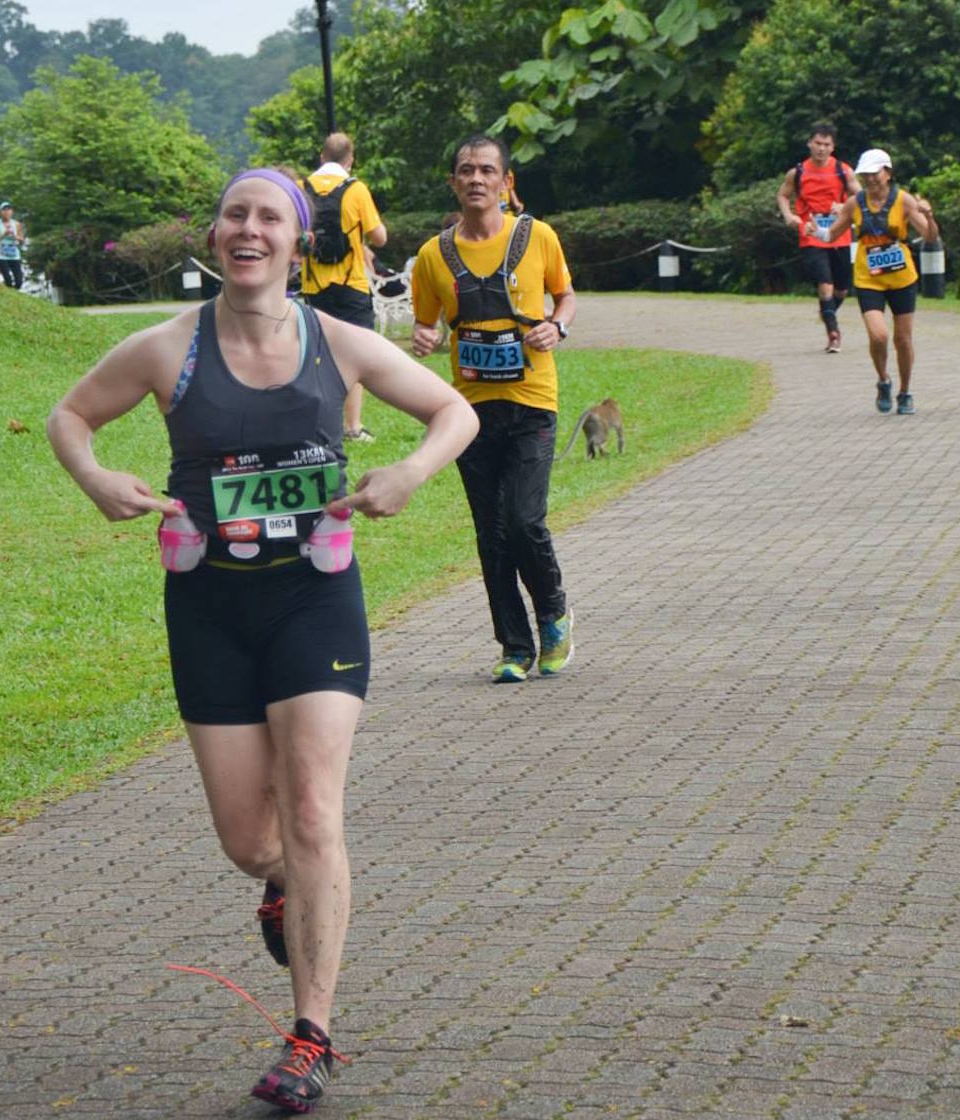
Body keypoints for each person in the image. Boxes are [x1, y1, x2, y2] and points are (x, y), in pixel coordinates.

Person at [47, 168, 477, 1113]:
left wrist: (408, 471)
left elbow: (458, 411)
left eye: (269, 217)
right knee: (253, 839)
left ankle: (311, 1035)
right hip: (208, 607)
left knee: (317, 811)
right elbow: (68, 416)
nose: (250, 230)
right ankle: (285, 884)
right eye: (236, 215)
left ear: (299, 239)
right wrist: (96, 477)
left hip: (313, 602)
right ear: (216, 235)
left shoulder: (340, 342)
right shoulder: (168, 350)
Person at [411, 134, 577, 684]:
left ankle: (553, 613)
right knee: (492, 533)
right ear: (453, 183)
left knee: (524, 520)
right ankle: (514, 647)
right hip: (471, 411)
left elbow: (565, 296)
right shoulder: (435, 255)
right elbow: (427, 320)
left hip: (532, 402)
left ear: (506, 182)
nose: (476, 179)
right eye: (466, 171)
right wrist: (424, 336)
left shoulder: (539, 237)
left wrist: (558, 326)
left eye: (487, 170)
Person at [823, 148, 938, 415]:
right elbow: (830, 235)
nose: (870, 180)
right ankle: (884, 379)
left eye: (875, 174)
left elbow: (930, 237)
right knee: (878, 335)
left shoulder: (904, 200)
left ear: (887, 173)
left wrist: (929, 215)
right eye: (865, 175)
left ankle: (905, 391)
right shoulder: (855, 203)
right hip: (868, 279)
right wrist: (811, 229)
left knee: (902, 339)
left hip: (902, 278)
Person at [299, 133, 388, 443]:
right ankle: (352, 426)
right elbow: (380, 238)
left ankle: (318, 424)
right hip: (351, 284)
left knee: (316, 355)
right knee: (356, 353)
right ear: (350, 161)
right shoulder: (357, 189)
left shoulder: (303, 188)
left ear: (322, 157)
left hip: (314, 285)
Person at [776, 122, 860, 352]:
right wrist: (789, 215)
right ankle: (834, 334)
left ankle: (827, 311)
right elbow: (783, 195)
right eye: (817, 143)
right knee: (825, 285)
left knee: (841, 290)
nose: (821, 149)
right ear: (809, 144)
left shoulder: (843, 170)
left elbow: (862, 199)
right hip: (811, 233)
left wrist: (843, 207)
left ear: (833, 147)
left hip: (839, 234)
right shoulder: (798, 172)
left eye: (826, 144)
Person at [0, 200, 26, 288]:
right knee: (8, 281)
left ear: (12, 211)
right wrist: (3, 235)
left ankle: (14, 295)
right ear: (0, 212)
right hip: (2, 255)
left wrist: (15, 236)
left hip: (14, 254)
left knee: (19, 282)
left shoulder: (16, 224)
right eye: (4, 210)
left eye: (8, 209)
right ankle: (8, 293)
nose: (6, 212)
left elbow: (22, 240)